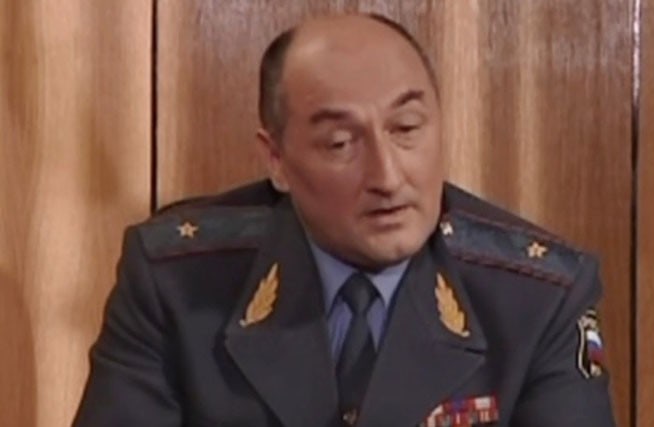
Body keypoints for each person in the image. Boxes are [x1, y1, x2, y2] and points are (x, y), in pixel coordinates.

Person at [73, 13, 616, 427]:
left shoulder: (537, 297)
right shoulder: (175, 283)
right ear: (276, 160)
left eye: (407, 128)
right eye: (340, 143)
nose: (388, 176)